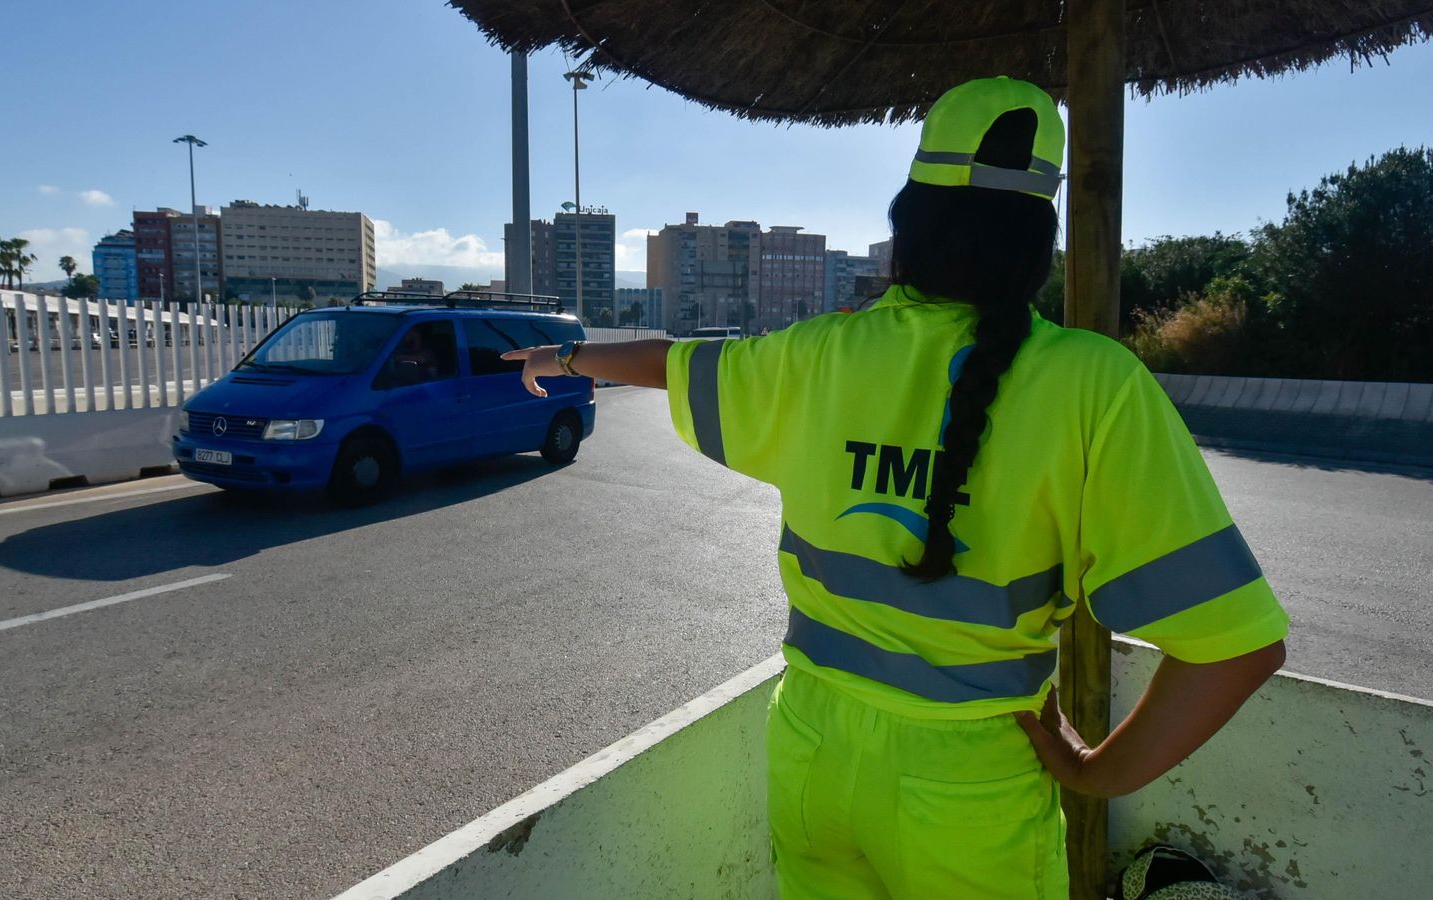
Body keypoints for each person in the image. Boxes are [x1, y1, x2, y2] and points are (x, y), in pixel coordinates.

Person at [503, 76, 1288, 900]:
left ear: (907, 224)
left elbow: (670, 363)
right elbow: (1235, 644)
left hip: (810, 749)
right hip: (970, 784)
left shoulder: (819, 353)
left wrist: (564, 357)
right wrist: (1099, 774)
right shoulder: (1095, 384)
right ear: (1038, 240)